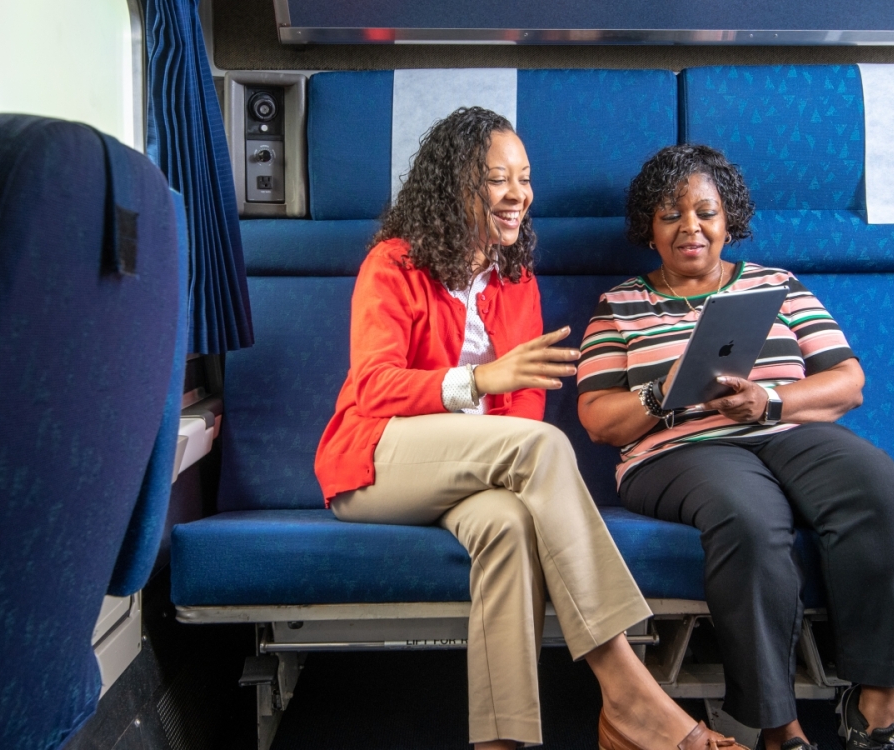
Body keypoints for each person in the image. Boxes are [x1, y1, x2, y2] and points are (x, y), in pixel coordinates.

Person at [315, 109, 747, 750]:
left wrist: (498, 411)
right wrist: (480, 380)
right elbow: (373, 388)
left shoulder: (515, 279)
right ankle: (628, 691)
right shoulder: (393, 263)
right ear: (455, 185)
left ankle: (501, 741)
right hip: (377, 462)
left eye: (525, 177)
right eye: (498, 178)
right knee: (542, 447)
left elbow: (526, 406)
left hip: (476, 475)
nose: (519, 193)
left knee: (510, 527)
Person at [576, 144, 894, 750]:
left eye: (705, 212)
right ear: (647, 230)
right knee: (750, 517)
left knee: (877, 487)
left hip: (787, 429)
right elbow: (600, 421)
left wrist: (770, 400)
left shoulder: (777, 284)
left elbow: (848, 382)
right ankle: (777, 726)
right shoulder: (620, 305)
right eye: (669, 215)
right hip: (677, 452)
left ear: (728, 220)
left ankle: (877, 704)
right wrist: (668, 388)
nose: (690, 228)